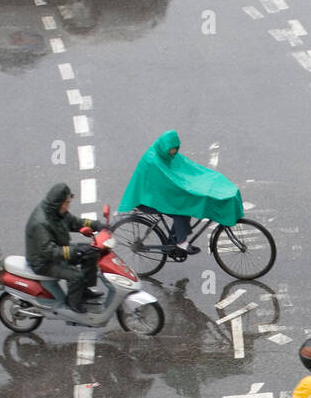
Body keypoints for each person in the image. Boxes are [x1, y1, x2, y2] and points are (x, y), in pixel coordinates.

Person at [119, 130, 244, 260]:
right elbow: (168, 183)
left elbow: (186, 169)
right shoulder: (153, 161)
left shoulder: (166, 154)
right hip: (147, 200)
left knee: (185, 206)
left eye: (175, 149)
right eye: (172, 150)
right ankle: (181, 243)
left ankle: (175, 240)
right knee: (180, 211)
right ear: (166, 148)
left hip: (159, 195)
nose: (174, 153)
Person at [25, 182, 103, 314]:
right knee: (76, 276)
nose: (68, 206)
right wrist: (75, 252)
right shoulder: (41, 223)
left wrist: (97, 225)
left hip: (58, 249)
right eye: (66, 203)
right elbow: (49, 251)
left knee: (91, 253)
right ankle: (73, 303)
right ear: (57, 203)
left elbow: (75, 222)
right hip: (43, 261)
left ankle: (83, 291)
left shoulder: (58, 212)